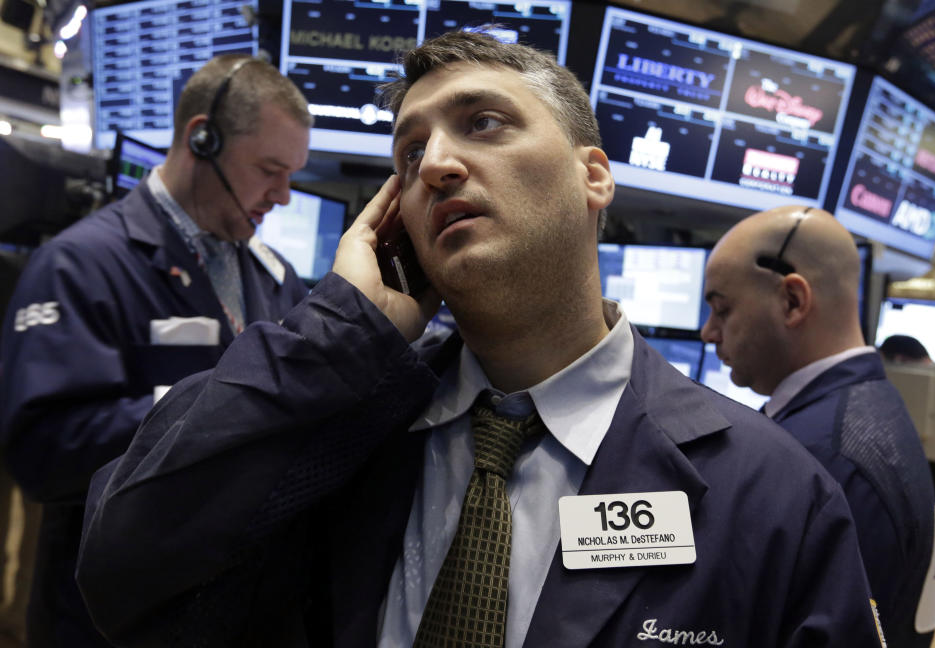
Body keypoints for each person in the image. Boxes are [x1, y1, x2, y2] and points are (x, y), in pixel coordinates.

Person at [77, 31, 887, 647]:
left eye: (484, 123)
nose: (435, 165)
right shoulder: (340, 430)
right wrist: (339, 335)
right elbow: (119, 572)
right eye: (410, 153)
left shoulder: (777, 495)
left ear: (593, 175)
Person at [0, 54, 312, 646]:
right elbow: (45, 450)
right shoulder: (79, 264)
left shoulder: (272, 274)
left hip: (226, 604)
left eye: (292, 174)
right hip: (110, 616)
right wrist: (215, 408)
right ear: (202, 138)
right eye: (271, 170)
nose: (284, 196)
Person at [700, 205, 935, 648]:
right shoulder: (867, 409)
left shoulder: (822, 456)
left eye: (722, 309)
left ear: (792, 301)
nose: (708, 332)